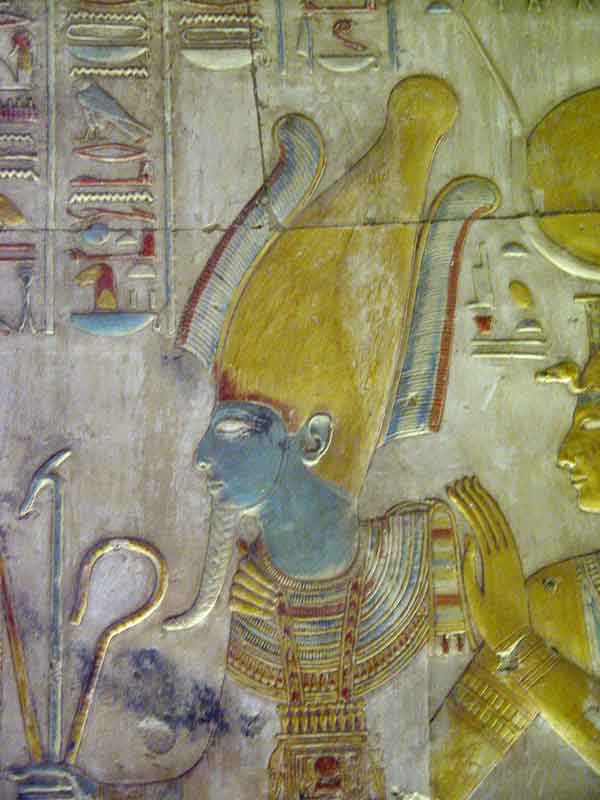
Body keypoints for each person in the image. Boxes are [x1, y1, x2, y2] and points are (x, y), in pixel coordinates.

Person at [10, 76, 499, 799]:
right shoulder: (249, 616)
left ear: (311, 439)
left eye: (236, 429)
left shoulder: (434, 567)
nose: (202, 456)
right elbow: (202, 776)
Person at [430, 303, 600, 799]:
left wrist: (521, 647)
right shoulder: (560, 602)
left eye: (591, 426)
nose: (564, 454)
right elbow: (435, 782)